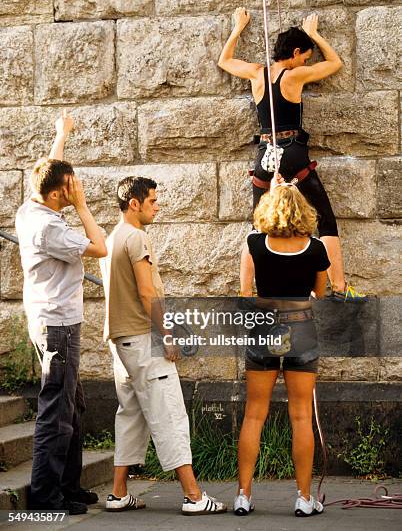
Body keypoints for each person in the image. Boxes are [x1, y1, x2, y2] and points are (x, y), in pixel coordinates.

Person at [100, 176, 227, 515]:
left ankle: (117, 493)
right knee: (169, 413)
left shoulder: (111, 239)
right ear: (134, 203)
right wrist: (167, 336)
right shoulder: (137, 236)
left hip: (120, 342)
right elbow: (146, 293)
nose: (157, 206)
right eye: (152, 201)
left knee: (132, 415)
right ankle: (194, 496)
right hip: (143, 339)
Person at [218, 8, 365, 302]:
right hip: (292, 154)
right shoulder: (295, 75)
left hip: (264, 156)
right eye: (305, 56)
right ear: (296, 52)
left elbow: (224, 61)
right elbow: (336, 63)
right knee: (324, 220)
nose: (306, 62)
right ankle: (338, 287)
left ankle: (247, 292)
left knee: (258, 226)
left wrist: (238, 27)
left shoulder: (256, 73)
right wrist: (315, 34)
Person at [15, 111, 107, 514]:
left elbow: (48, 171)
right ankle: (45, 495)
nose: (73, 191)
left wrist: (61, 136)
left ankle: (69, 486)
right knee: (57, 410)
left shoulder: (34, 205)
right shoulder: (51, 229)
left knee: (73, 405)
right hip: (58, 327)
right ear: (58, 194)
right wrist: (84, 206)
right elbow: (100, 246)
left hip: (52, 321)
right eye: (68, 189)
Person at [234, 174, 328, 517]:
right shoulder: (316, 248)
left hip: (264, 330)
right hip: (302, 330)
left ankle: (243, 495)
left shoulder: (253, 244)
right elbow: (320, 294)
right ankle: (304, 498)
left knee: (254, 414)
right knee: (302, 416)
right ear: (303, 211)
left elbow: (245, 294)